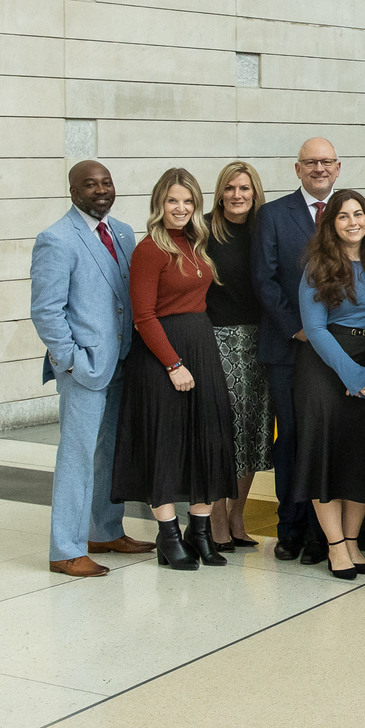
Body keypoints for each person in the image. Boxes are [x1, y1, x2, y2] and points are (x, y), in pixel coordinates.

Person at [112, 169, 236, 569]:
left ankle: (199, 533)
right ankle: (168, 537)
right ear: (159, 204)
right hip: (163, 356)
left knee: (208, 440)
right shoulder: (150, 250)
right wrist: (173, 364)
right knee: (164, 445)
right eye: (172, 201)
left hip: (200, 346)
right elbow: (143, 316)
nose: (180, 208)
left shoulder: (197, 243)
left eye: (187, 201)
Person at [31, 160, 150, 576]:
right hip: (84, 367)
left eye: (106, 182)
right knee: (77, 456)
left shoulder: (123, 233)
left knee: (109, 453)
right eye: (89, 184)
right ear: (73, 191)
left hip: (122, 361)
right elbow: (46, 311)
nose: (101, 190)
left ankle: (104, 530)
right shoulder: (56, 239)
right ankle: (65, 549)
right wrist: (69, 360)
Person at [292, 188, 365, 579]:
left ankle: (352, 540)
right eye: (343, 216)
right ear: (331, 224)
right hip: (325, 365)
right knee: (325, 456)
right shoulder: (317, 265)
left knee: (361, 457)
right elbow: (315, 329)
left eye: (358, 214)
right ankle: (335, 545)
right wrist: (351, 373)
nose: (353, 222)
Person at [252, 138, 342, 564]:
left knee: (323, 440)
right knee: (289, 437)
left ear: (338, 168)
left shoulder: (349, 212)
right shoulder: (272, 215)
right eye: (311, 162)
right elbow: (264, 280)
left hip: (336, 350)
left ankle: (323, 535)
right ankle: (289, 529)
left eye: (326, 162)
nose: (318, 168)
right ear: (297, 168)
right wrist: (299, 328)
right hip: (289, 347)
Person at [205, 161, 269, 549]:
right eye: (229, 188)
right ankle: (214, 518)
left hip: (260, 342)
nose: (237, 195)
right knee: (223, 433)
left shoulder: (265, 229)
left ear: (255, 192)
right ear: (220, 193)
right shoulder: (204, 230)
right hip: (217, 341)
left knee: (253, 431)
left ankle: (237, 515)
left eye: (244, 188)